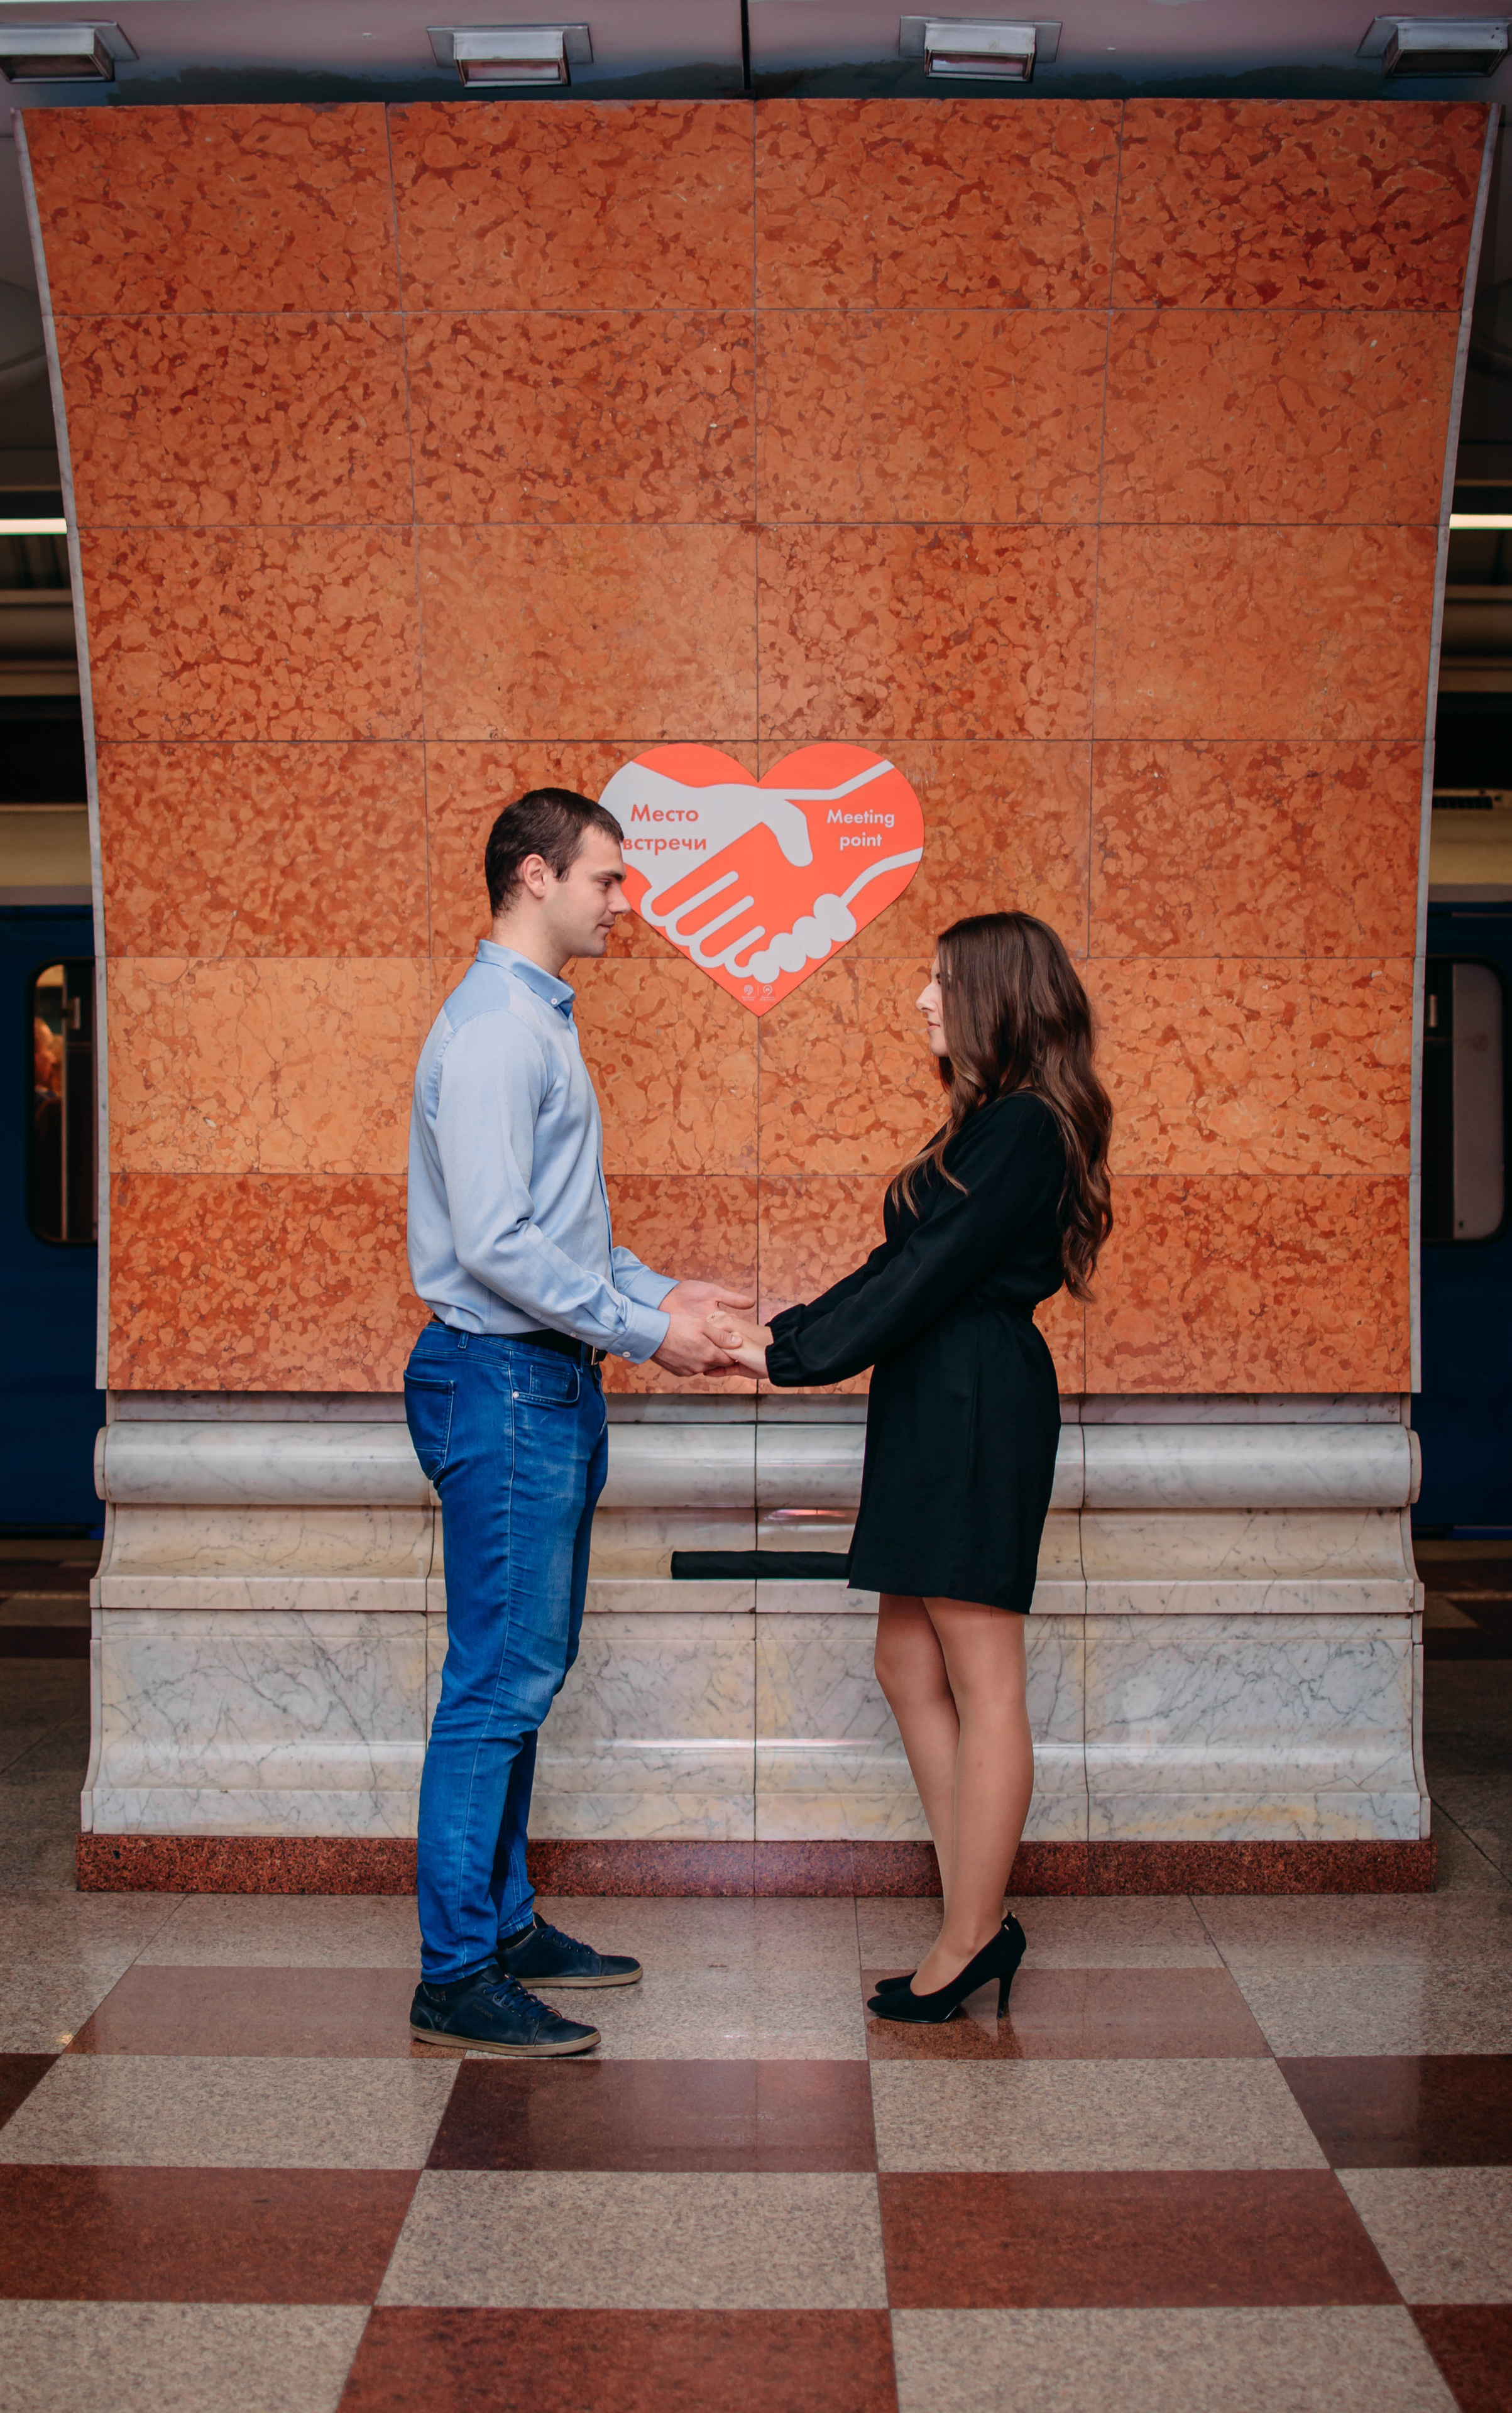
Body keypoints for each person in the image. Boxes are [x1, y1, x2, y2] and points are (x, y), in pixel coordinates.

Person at [710, 912, 1113, 2027]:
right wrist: (783, 1337)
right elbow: (902, 1266)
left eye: (940, 983)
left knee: (982, 1675)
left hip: (974, 1403)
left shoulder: (1024, 1128)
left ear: (994, 995)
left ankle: (970, 1932)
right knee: (905, 1660)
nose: (921, 1003)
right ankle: (973, 1910)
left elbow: (925, 1270)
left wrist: (788, 1354)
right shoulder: (995, 1126)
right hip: (942, 1399)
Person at [404, 789, 747, 2056]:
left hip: (537, 1382)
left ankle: (502, 1926)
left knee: (519, 1680)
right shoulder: (500, 1030)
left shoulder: (533, 1022)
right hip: (504, 1384)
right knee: (497, 1687)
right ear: (536, 877)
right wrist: (650, 1332)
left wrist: (665, 1294)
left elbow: (556, 1233)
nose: (625, 901)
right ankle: (456, 1974)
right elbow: (496, 1247)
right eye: (608, 878)